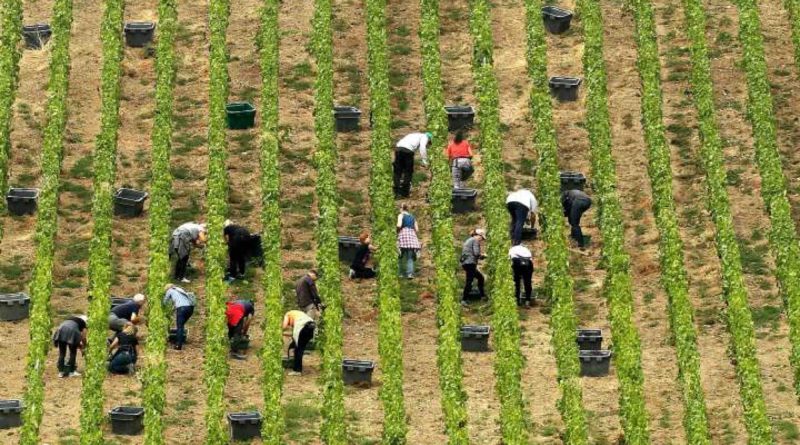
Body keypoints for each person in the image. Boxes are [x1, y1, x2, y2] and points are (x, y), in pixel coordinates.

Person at [393, 132, 431, 197]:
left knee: (398, 171)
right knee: (408, 172)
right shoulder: (425, 137)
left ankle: (396, 191)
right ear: (429, 139)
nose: (428, 144)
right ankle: (404, 193)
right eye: (429, 142)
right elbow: (422, 147)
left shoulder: (413, 135)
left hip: (398, 149)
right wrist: (425, 161)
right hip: (408, 151)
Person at [163, 284, 196, 350]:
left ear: (167, 288)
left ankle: (178, 345)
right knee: (181, 325)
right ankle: (181, 338)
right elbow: (180, 301)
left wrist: (162, 307)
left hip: (182, 309)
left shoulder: (170, 290)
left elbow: (165, 301)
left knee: (180, 327)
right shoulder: (179, 289)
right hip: (190, 308)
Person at [282, 310, 316, 376]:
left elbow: (284, 326)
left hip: (304, 327)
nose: (290, 325)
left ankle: (297, 371)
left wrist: (280, 331)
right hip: (311, 327)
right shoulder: (298, 314)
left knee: (298, 350)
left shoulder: (287, 314)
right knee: (300, 348)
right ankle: (298, 369)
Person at [460, 229, 486, 302]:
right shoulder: (475, 241)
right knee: (470, 281)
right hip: (470, 263)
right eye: (482, 238)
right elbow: (476, 253)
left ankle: (482, 295)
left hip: (466, 263)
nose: (481, 240)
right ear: (478, 235)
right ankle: (464, 299)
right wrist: (483, 256)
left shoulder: (468, 240)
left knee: (480, 278)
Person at [396, 204, 421, 279]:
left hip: (403, 235)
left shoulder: (401, 215)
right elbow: (417, 229)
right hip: (411, 236)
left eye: (399, 208)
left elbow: (399, 225)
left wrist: (397, 231)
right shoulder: (413, 217)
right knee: (410, 257)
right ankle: (410, 274)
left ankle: (400, 273)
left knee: (400, 255)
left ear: (402, 208)